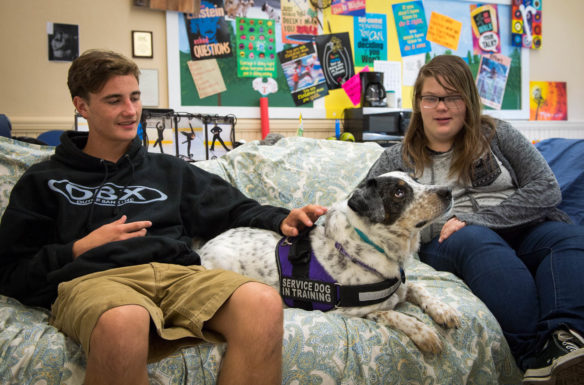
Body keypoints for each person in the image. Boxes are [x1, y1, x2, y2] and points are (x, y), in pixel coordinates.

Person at [0, 49, 327, 385]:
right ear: (82, 106)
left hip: (176, 276)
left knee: (261, 302)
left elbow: (233, 208)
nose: (130, 111)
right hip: (96, 282)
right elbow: (11, 270)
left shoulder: (169, 170)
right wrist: (79, 248)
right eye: (114, 100)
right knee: (123, 321)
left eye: (135, 97)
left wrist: (281, 219)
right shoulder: (44, 180)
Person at [365, 54, 584, 384]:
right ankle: (534, 356)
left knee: (568, 237)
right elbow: (363, 208)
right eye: (432, 98)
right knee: (475, 239)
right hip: (453, 239)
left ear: (467, 101)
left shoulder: (495, 134)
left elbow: (546, 187)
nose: (442, 106)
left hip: (523, 228)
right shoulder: (398, 158)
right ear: (419, 104)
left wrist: (479, 218)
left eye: (453, 97)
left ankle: (566, 342)